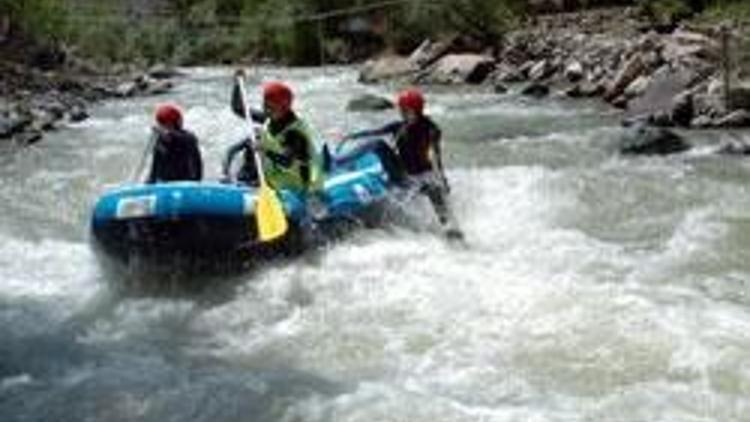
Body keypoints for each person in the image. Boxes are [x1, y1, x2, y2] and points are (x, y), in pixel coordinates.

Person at [341, 88, 462, 239]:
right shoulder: (399, 127)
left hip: (420, 176)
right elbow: (374, 132)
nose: (402, 113)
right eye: (402, 109)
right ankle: (340, 161)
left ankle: (448, 227)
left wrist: (442, 179)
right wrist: (352, 136)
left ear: (416, 110)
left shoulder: (431, 129)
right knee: (378, 144)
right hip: (401, 174)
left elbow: (436, 156)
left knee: (434, 190)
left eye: (405, 110)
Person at [223, 72, 325, 212]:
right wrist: (237, 85)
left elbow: (287, 161)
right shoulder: (271, 118)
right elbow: (239, 109)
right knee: (252, 146)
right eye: (265, 106)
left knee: (259, 144)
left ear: (284, 107)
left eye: (270, 107)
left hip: (296, 187)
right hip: (275, 181)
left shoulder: (295, 133)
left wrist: (265, 150)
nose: (266, 110)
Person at [146, 103, 203, 184]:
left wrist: (169, 134)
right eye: (162, 125)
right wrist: (150, 182)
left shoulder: (188, 138)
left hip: (187, 182)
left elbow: (179, 138)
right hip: (166, 183)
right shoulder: (160, 142)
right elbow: (154, 169)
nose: (165, 128)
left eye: (167, 125)